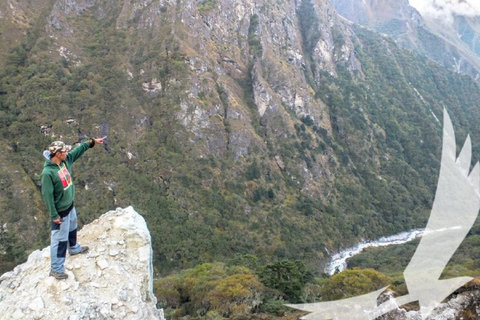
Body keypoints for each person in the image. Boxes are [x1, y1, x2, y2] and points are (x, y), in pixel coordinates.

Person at [41, 137, 106, 280]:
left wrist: (91, 142)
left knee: (72, 230)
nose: (67, 152)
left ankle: (74, 249)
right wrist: (54, 215)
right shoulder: (47, 173)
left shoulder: (65, 161)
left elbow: (78, 151)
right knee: (59, 240)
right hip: (60, 213)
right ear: (58, 154)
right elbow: (47, 196)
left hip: (70, 206)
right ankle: (56, 269)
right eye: (64, 151)